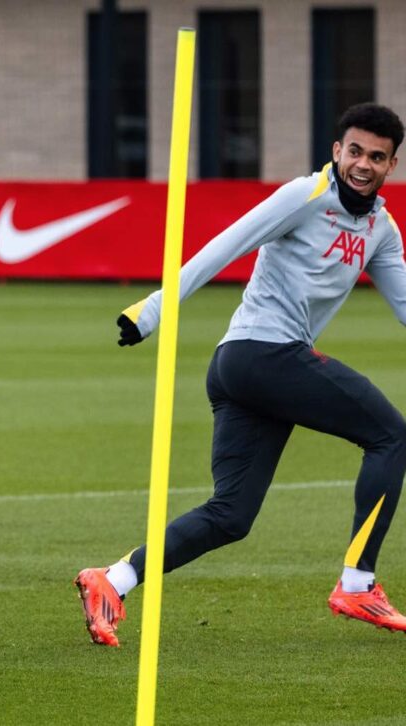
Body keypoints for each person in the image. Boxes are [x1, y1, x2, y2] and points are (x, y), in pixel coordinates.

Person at [75, 103, 406, 647]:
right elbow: (224, 247)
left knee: (231, 515)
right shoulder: (303, 196)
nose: (363, 164)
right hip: (259, 355)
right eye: (355, 151)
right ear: (336, 151)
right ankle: (357, 584)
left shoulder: (382, 230)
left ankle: (113, 580)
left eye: (376, 156)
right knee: (391, 435)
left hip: (250, 372)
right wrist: (152, 310)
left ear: (391, 165)